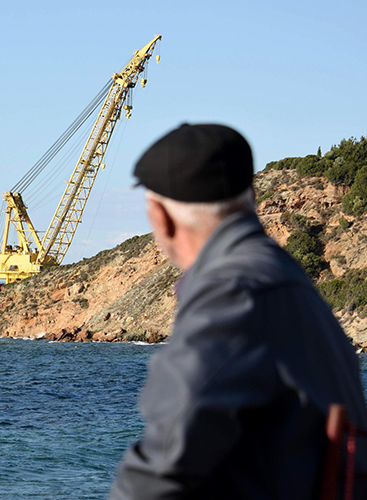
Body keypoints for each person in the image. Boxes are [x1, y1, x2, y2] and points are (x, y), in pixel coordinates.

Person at [108, 123, 367, 499]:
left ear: (160, 219)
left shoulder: (233, 292)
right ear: (253, 196)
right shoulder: (287, 280)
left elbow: (163, 466)